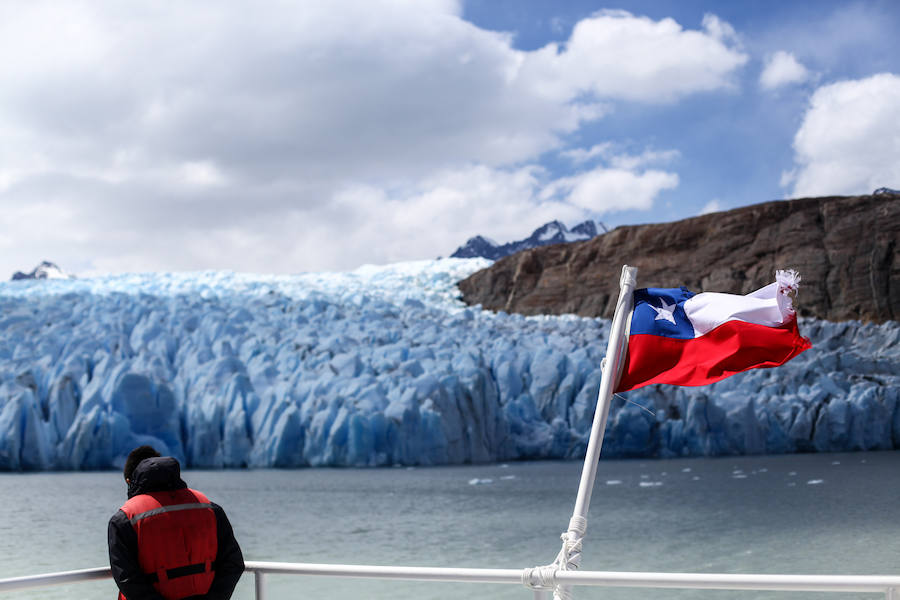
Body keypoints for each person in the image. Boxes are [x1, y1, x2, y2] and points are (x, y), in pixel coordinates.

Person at [108, 446, 245, 600]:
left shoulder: (124, 519)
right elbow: (233, 563)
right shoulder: (210, 508)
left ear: (130, 481)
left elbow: (128, 579)